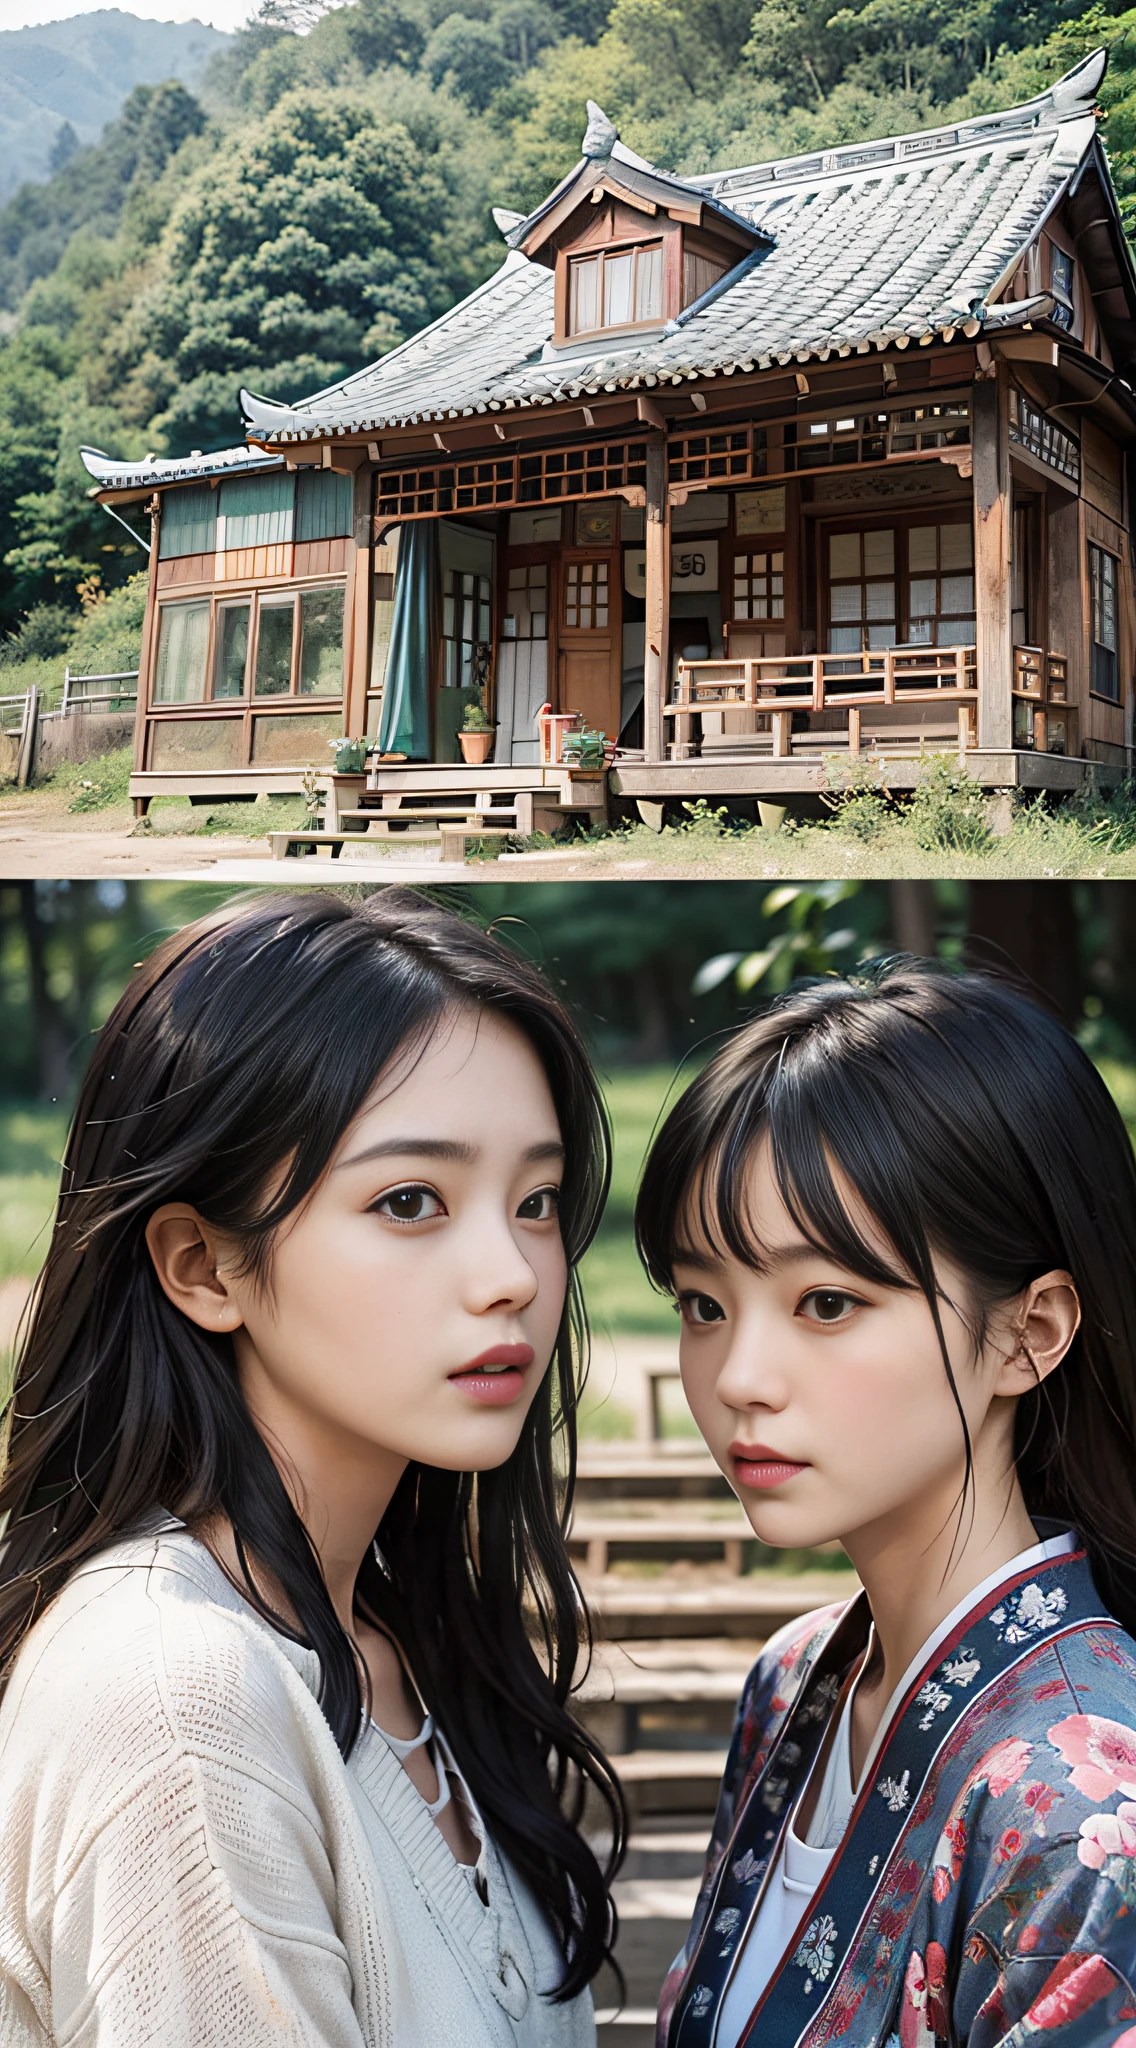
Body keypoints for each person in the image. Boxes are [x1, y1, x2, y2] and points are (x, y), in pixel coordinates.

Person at [0, 888, 624, 2048]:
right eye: (408, 1200)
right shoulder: (178, 1699)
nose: (512, 1274)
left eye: (534, 1200)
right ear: (202, 1263)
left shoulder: (397, 1636)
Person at [635, 959, 1136, 2048]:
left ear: (1027, 1331)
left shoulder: (1083, 1808)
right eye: (702, 1303)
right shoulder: (794, 1678)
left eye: (825, 1300)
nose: (735, 1376)